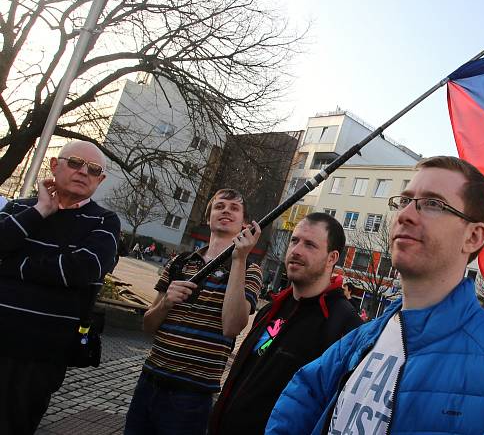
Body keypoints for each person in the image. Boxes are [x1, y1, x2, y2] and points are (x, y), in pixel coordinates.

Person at [266, 156, 484, 434]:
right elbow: (296, 405)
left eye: (432, 204)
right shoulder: (357, 343)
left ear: (473, 237)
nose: (405, 215)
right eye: (404, 201)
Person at [0, 140, 121, 434]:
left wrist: (14, 265)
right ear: (55, 165)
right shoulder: (19, 208)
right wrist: (40, 210)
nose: (83, 172)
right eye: (75, 163)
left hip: (40, 355)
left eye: (93, 170)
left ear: (100, 180)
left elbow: (82, 268)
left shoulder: (104, 221)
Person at [124, 188, 263, 435]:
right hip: (149, 381)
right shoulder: (180, 262)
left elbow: (232, 327)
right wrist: (166, 303)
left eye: (234, 208)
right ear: (208, 216)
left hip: (192, 396)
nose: (226, 211)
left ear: (244, 223)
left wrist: (239, 259)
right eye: (219, 206)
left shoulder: (249, 271)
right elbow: (147, 326)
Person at [208, 213, 362, 435]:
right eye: (294, 240)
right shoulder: (273, 309)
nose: (296, 251)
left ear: (332, 258)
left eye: (309, 244)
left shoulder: (344, 327)